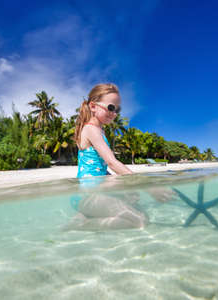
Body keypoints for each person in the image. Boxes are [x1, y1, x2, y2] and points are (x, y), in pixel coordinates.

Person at [66, 83, 176, 231]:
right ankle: (81, 225)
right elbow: (111, 163)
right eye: (111, 108)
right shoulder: (91, 129)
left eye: (118, 110)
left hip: (91, 193)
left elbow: (101, 170)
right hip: (88, 196)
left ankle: (87, 216)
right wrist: (148, 186)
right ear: (93, 106)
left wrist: (125, 188)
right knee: (141, 221)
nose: (115, 113)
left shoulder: (98, 131)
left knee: (133, 197)